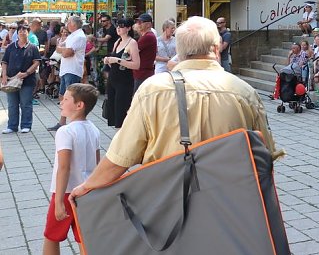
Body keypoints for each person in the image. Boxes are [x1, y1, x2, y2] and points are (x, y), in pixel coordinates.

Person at [70, 16, 282, 200]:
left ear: (178, 51)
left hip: (166, 200)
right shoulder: (244, 92)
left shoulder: (152, 90)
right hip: (227, 201)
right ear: (217, 48)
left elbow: (120, 158)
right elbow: (265, 155)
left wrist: (86, 187)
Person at [42, 83, 100, 255]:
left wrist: (59, 201)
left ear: (79, 105)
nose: (61, 101)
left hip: (66, 192)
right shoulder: (94, 129)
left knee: (51, 236)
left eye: (66, 99)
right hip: (86, 190)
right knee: (84, 238)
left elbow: (64, 167)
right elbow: (97, 164)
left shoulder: (65, 131)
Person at [49, 16, 87, 132]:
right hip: (66, 69)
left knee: (72, 97)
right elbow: (58, 48)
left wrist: (62, 49)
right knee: (63, 96)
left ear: (73, 24)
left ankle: (74, 122)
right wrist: (63, 49)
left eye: (68, 22)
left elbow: (67, 53)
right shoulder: (72, 36)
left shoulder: (79, 36)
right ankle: (62, 122)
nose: (66, 24)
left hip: (73, 70)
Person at [1, 24, 40, 134]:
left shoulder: (33, 47)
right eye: (20, 31)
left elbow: (36, 62)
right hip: (11, 79)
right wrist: (4, 75)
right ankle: (12, 126)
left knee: (26, 103)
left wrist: (26, 73)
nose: (22, 32)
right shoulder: (11, 47)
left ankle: (26, 125)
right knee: (12, 104)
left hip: (27, 80)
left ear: (28, 33)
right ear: (17, 33)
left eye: (24, 31)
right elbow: (4, 62)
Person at [102, 18, 140, 128]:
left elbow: (136, 65)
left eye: (121, 26)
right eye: (117, 26)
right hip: (113, 78)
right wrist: (108, 60)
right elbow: (113, 61)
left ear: (128, 28)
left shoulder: (132, 43)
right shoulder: (117, 42)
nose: (118, 28)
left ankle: (122, 132)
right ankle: (117, 132)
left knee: (121, 109)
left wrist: (118, 60)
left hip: (124, 80)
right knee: (113, 109)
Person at [133, 13, 157, 92]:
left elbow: (133, 51)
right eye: (137, 22)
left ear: (148, 24)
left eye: (140, 22)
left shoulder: (148, 36)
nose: (138, 24)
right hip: (141, 72)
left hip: (143, 73)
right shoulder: (145, 36)